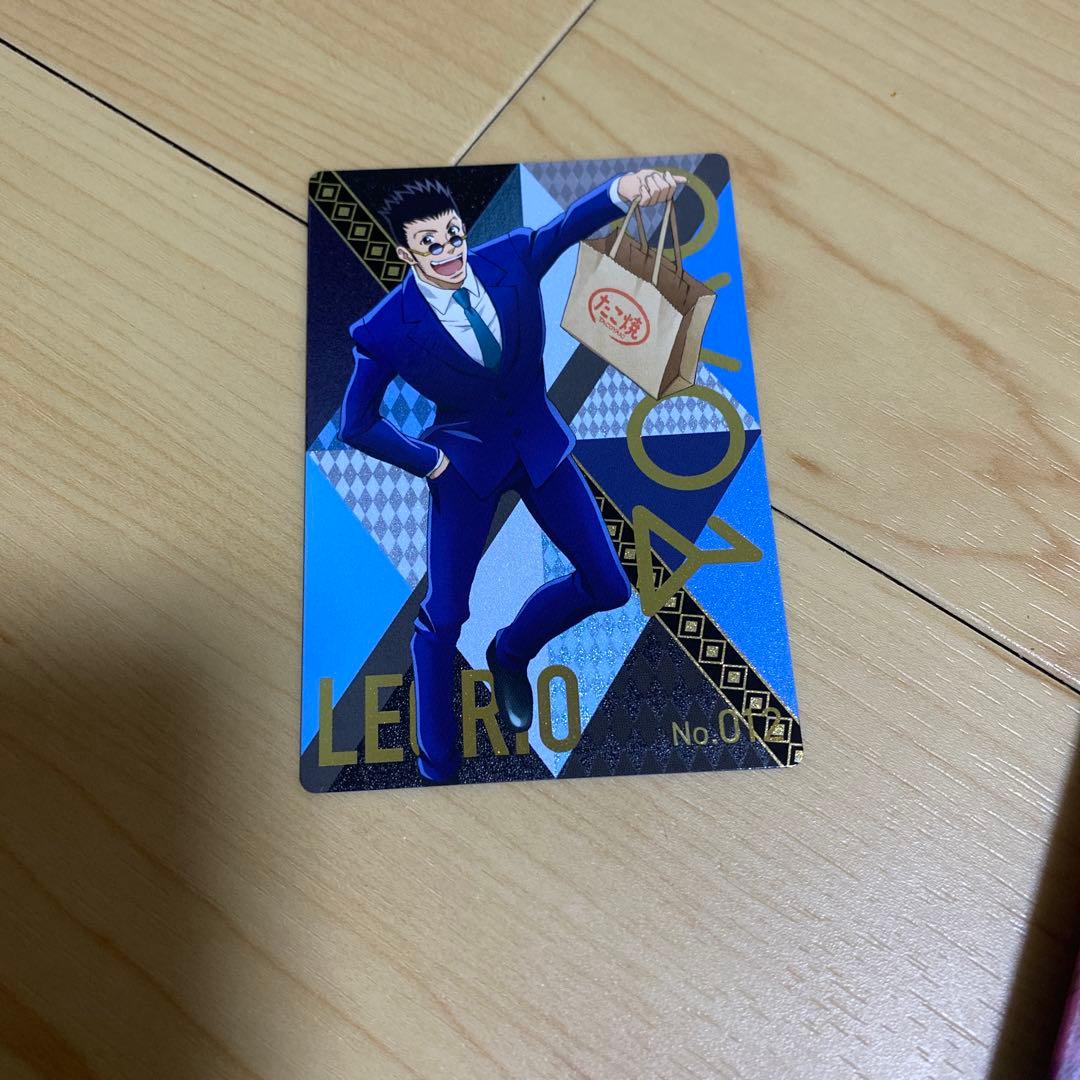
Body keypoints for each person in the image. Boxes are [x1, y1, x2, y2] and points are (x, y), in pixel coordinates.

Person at [341, 167, 683, 781]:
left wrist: (623, 192)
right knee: (444, 619)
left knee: (610, 586)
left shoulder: (511, 258)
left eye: (453, 236)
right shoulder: (385, 328)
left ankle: (510, 650)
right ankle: (437, 763)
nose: (447, 252)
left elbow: (566, 227)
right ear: (406, 253)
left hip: (540, 448)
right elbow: (356, 424)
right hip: (463, 468)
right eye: (429, 244)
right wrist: (428, 461)